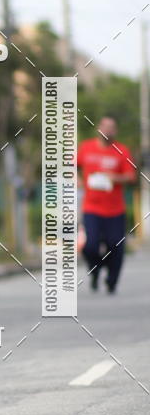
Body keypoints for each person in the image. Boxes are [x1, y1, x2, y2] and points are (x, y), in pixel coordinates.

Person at [77, 116, 136, 293]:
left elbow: (131, 177)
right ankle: (95, 269)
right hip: (91, 208)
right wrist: (77, 179)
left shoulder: (122, 150)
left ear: (115, 131)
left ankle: (111, 281)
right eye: (105, 126)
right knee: (90, 246)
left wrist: (114, 177)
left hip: (115, 210)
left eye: (111, 127)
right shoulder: (86, 148)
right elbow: (72, 166)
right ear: (98, 128)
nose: (107, 130)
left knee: (115, 246)